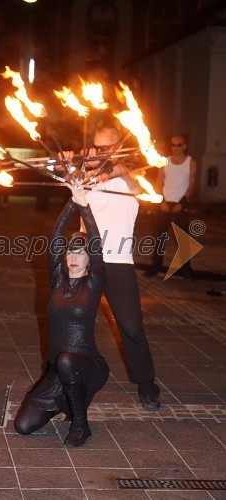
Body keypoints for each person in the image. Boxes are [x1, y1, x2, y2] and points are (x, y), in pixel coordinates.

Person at [59, 126, 160, 411]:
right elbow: (71, 188)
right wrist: (67, 167)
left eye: (104, 149)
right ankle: (66, 380)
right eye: (94, 147)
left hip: (118, 262)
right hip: (86, 261)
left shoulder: (132, 179)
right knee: (72, 323)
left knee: (131, 326)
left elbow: (132, 180)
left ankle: (147, 382)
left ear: (118, 150)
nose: (95, 152)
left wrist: (113, 169)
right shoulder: (87, 179)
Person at [14, 182, 109, 447]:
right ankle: (65, 399)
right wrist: (72, 200)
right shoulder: (58, 281)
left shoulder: (94, 283)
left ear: (90, 259)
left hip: (88, 365)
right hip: (58, 372)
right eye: (70, 251)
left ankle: (81, 425)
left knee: (67, 360)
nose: (74, 257)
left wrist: (85, 207)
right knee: (22, 426)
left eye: (81, 252)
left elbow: (97, 243)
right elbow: (55, 235)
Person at [144, 134, 197, 278]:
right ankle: (156, 266)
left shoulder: (190, 162)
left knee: (183, 238)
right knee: (160, 236)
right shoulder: (165, 161)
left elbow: (192, 184)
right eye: (173, 145)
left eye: (178, 145)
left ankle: (187, 270)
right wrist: (162, 202)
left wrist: (182, 203)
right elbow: (159, 182)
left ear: (184, 146)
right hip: (166, 203)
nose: (175, 148)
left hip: (181, 203)